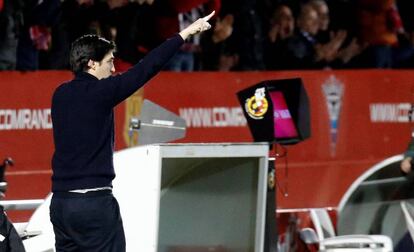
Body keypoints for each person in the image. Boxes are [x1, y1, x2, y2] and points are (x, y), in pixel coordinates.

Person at [49, 11, 215, 251]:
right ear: (91, 63)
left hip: (61, 204)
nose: (114, 68)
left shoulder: (59, 95)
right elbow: (147, 67)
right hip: (93, 204)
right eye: (109, 61)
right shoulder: (101, 92)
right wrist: (186, 33)